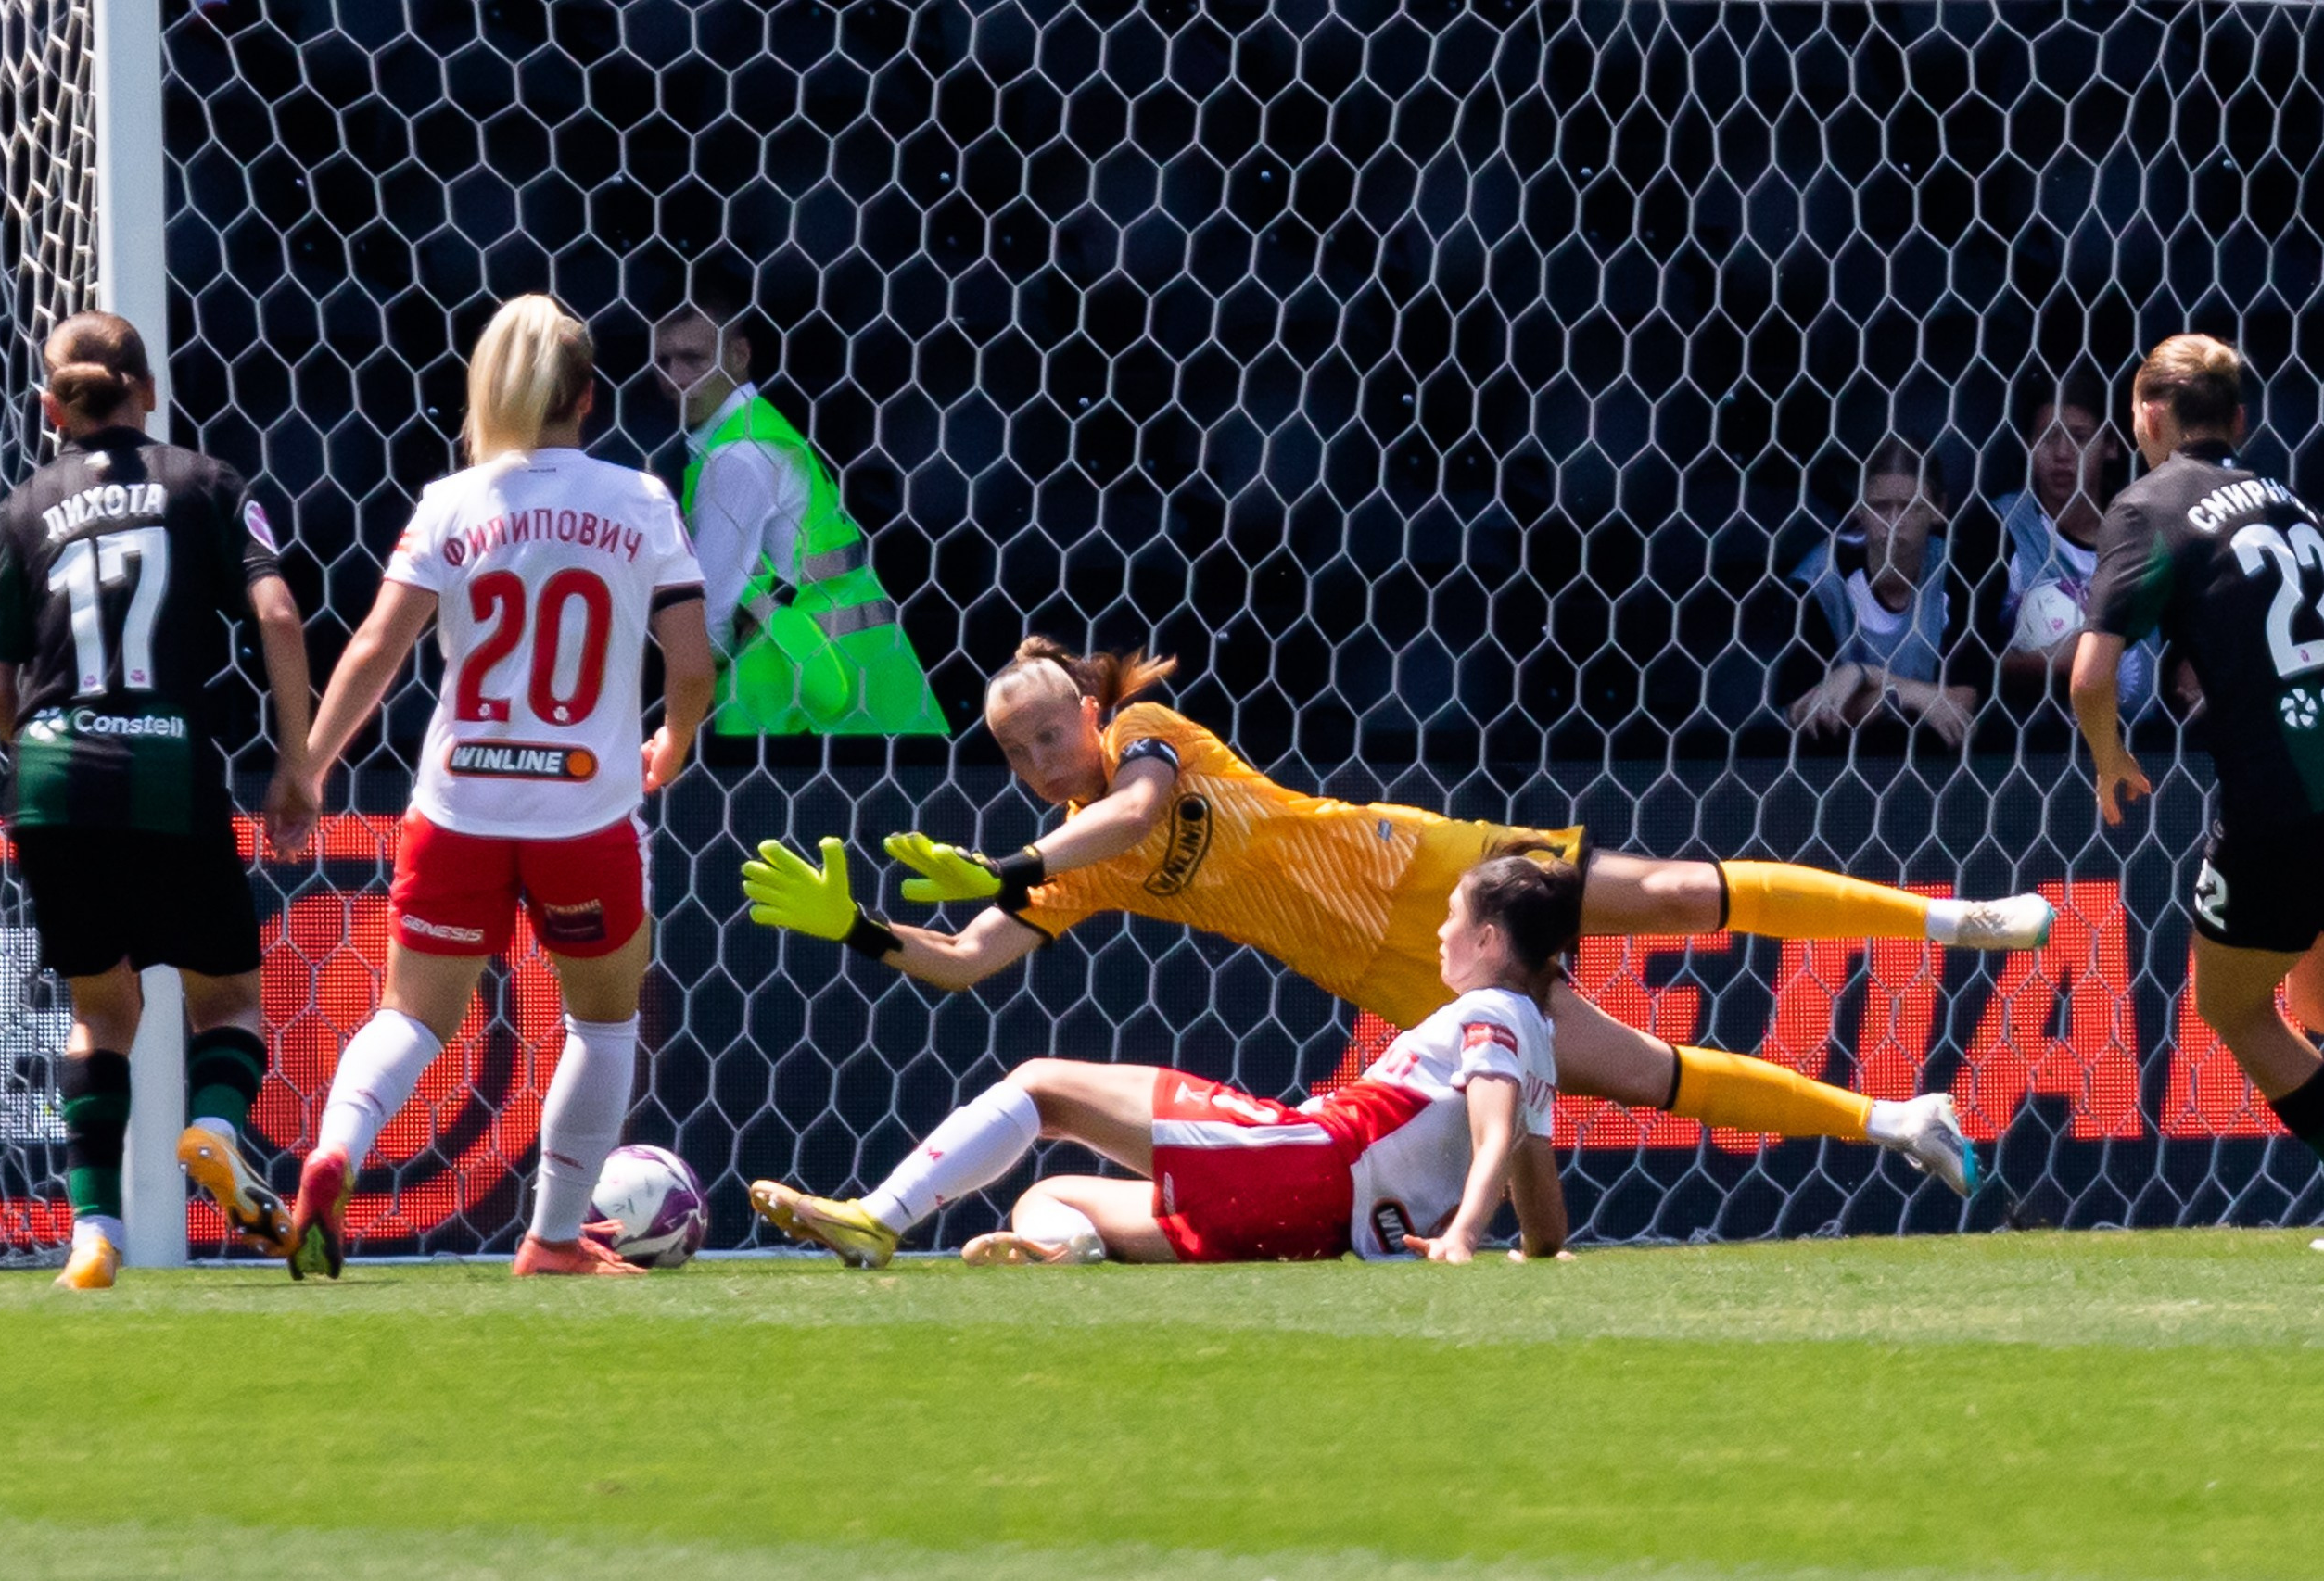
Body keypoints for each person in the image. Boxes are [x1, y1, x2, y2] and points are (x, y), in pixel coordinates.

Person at [743, 638, 2062, 1198]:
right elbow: (966, 962)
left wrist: (1008, 863)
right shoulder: (1064, 866)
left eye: (1049, 733)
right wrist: (863, 927)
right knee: (1637, 1073)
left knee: (1670, 891)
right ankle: (1899, 1122)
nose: (1041, 761)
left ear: (1087, 711)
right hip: (1396, 970)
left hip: (1427, 869)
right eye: (1018, 752)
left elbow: (1134, 815)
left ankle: (1953, 919)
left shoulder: (1146, 734)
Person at [283, 296, 715, 1280]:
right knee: (601, 1023)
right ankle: (553, 1238)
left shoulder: (452, 501)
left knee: (411, 1018)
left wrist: (309, 764)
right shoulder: (639, 498)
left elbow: (376, 647)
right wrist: (676, 737)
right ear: (590, 396)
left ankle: (336, 1150)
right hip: (585, 810)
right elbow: (691, 663)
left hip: (459, 806)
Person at [751, 851, 1578, 1267]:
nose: (1439, 931)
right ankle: (1065, 1255)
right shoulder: (1535, 1033)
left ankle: (877, 1220)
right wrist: (1526, 1248)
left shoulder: (1489, 1011)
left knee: (1041, 1086)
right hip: (1327, 1233)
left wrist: (1465, 1233)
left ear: (1487, 941)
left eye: (1451, 916)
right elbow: (1541, 1212)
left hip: (1307, 1161)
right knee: (1049, 1196)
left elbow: (1492, 1125)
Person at [0, 310, 319, 1289]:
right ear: (150, 392)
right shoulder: (203, 481)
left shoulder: (24, 505)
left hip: (51, 776)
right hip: (168, 766)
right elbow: (278, 612)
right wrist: (297, 762)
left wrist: (50, 752)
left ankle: (94, 1234)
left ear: (51, 408)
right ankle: (214, 1132)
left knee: (100, 1011)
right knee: (229, 998)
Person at [2074, 333, 2324, 1168]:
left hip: (2279, 807)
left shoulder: (2148, 507)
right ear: (2240, 420)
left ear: (2149, 415)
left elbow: (2090, 678)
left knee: (2233, 1009)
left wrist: (2110, 759)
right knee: (2314, 991)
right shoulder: (2291, 504)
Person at [649, 292, 946, 736]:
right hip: (868, 679)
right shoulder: (761, 432)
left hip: (804, 697)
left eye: (693, 359)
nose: (675, 377)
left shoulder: (738, 456)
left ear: (739, 355)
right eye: (664, 360)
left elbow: (708, 621)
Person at [1992, 372, 2175, 729]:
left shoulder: (2148, 537)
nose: (2062, 454)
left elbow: (2182, 641)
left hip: (2146, 746)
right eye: (2048, 436)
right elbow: (1966, 667)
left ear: (2111, 445)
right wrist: (2047, 665)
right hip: (2030, 750)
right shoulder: (1999, 529)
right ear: (2028, 444)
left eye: (2079, 437)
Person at [1782, 438, 1982, 751]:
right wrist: (1913, 695)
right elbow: (1808, 711)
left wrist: (1863, 675)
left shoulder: (1960, 573)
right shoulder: (1818, 582)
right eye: (1879, 506)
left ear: (1938, 509)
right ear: (1859, 507)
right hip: (1836, 759)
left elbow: (1961, 703)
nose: (1893, 522)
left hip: (1935, 756)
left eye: (1910, 506)